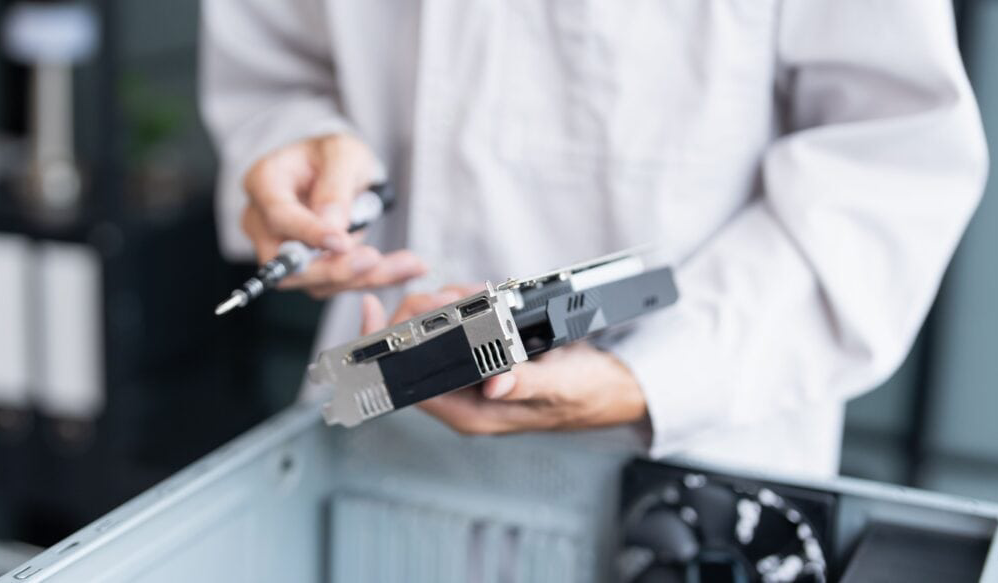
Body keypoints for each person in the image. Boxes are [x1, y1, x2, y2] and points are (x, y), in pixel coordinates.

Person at [200, 1, 987, 478]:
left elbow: (889, 166)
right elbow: (274, 74)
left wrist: (651, 379)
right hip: (374, 442)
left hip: (688, 444)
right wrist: (295, 153)